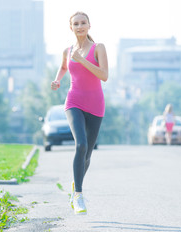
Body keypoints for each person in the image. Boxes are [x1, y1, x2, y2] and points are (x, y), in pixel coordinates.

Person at [51, 11, 108, 215]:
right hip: (73, 101)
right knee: (81, 144)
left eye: (83, 23)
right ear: (71, 27)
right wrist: (57, 80)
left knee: (88, 154)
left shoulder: (98, 48)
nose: (80, 26)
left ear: (89, 26)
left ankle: (76, 186)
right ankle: (78, 196)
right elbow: (63, 67)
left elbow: (104, 75)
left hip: (95, 104)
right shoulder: (68, 51)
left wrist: (82, 60)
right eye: (76, 23)